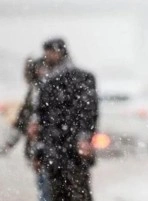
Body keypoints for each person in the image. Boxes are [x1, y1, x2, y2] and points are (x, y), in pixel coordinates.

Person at [34, 38, 98, 201]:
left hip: (66, 152)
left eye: (49, 53)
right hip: (61, 153)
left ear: (58, 53)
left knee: (69, 193)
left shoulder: (55, 81)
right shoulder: (50, 81)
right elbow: (43, 119)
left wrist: (84, 137)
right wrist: (40, 152)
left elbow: (88, 112)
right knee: (72, 193)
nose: (46, 57)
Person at [0, 57, 50, 201]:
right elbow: (23, 120)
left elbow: (24, 120)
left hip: (47, 151)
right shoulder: (36, 89)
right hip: (42, 152)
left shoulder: (44, 90)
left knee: (47, 190)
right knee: (45, 188)